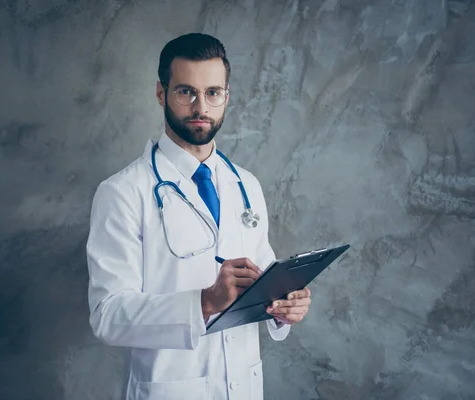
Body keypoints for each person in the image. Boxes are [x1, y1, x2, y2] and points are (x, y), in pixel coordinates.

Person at [86, 33, 312, 400]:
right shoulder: (123, 193)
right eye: (186, 92)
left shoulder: (246, 185)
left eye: (212, 93)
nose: (200, 107)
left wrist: (285, 304)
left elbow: (264, 274)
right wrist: (204, 302)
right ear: (161, 94)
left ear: (227, 95)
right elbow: (108, 316)